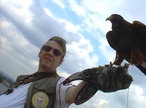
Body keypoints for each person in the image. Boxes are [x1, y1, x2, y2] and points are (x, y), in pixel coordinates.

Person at [0, 36, 132, 108]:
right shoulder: (22, 79)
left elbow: (72, 94)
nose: (50, 53)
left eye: (56, 52)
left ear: (61, 61)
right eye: (47, 48)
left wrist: (94, 79)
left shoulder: (58, 84)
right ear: (40, 52)